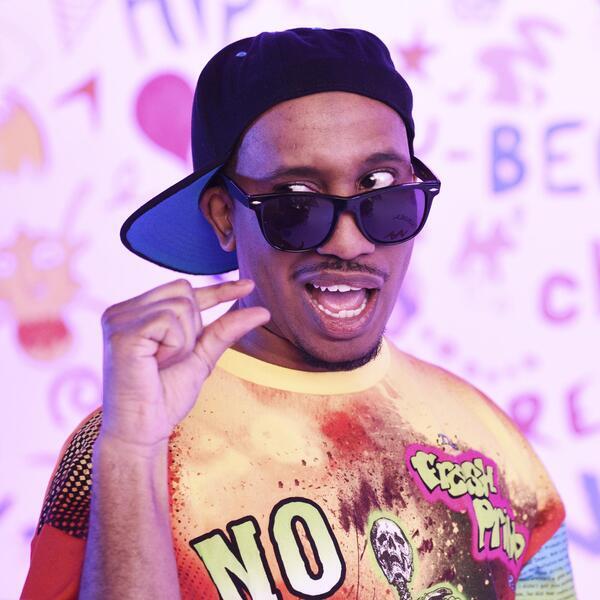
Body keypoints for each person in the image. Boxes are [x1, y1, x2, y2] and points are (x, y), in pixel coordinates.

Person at [21, 28, 576, 600]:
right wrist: (133, 454)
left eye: (380, 190)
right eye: (297, 203)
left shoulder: (490, 443)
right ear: (223, 216)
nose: (348, 242)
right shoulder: (122, 446)